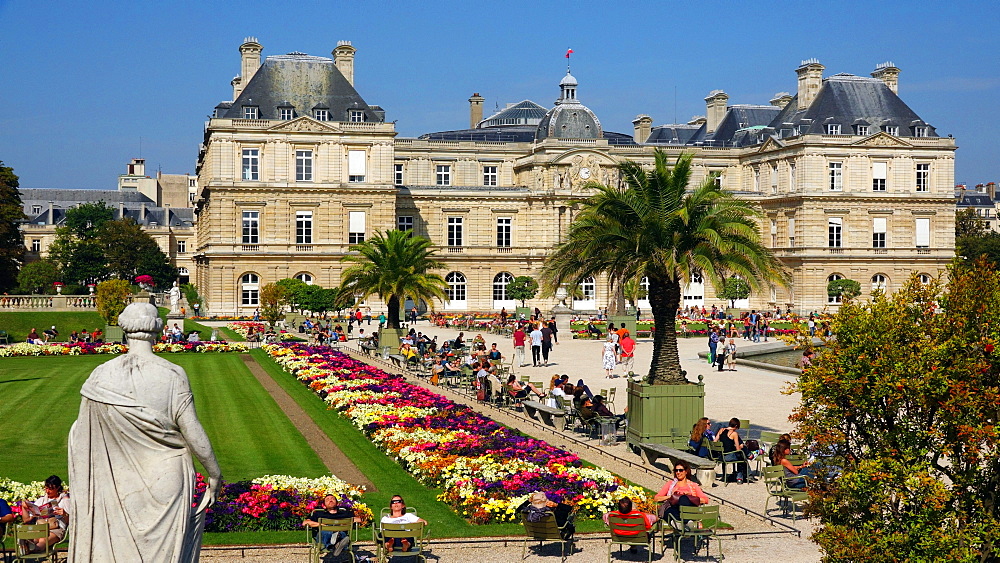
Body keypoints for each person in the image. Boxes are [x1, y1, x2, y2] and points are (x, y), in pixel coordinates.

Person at [68, 302, 222, 561]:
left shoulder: (101, 376)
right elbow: (192, 430)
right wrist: (214, 473)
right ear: (159, 330)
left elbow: (80, 437)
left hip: (117, 479)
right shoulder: (172, 374)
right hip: (167, 477)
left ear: (124, 328)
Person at [17, 475, 71, 554]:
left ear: (58, 488)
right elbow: (26, 519)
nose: (47, 491)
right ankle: (30, 548)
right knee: (33, 539)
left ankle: (32, 550)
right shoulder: (41, 500)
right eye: (46, 488)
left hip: (55, 529)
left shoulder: (65, 501)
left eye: (51, 489)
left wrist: (64, 514)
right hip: (40, 528)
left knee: (43, 539)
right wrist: (24, 508)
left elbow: (70, 522)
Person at [714, 418, 748, 483]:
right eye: (737, 427)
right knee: (741, 456)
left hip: (721, 456)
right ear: (735, 426)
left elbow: (715, 441)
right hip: (728, 456)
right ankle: (739, 478)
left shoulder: (721, 430)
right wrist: (739, 447)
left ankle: (725, 475)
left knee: (740, 455)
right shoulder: (734, 433)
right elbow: (738, 449)